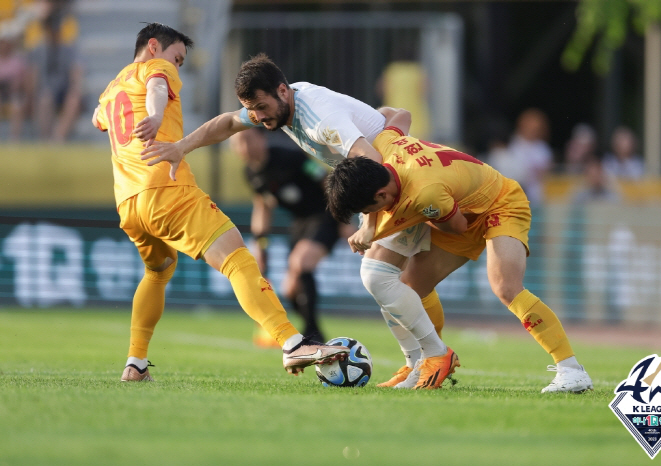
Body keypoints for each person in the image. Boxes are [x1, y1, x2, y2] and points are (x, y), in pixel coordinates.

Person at [140, 53, 454, 389]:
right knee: (394, 279)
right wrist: (182, 147)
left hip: (397, 187)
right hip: (387, 188)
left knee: (380, 277)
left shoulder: (320, 119)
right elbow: (229, 123)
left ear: (282, 91)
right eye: (253, 110)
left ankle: (433, 356)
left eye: (262, 107)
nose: (258, 118)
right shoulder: (280, 105)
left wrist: (368, 226)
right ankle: (421, 361)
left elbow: (373, 160)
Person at [92, 24, 347, 381]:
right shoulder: (155, 69)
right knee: (237, 259)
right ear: (153, 46)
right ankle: (293, 344)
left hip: (129, 203)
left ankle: (135, 363)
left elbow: (97, 118)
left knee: (158, 272)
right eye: (176, 58)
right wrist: (154, 115)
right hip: (166, 190)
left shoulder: (111, 90)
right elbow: (157, 87)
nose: (176, 67)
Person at [325, 108, 594, 394]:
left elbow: (457, 227)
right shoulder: (383, 146)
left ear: (381, 195)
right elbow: (398, 115)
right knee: (412, 287)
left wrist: (395, 223)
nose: (373, 216)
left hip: (499, 203)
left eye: (370, 211)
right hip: (461, 206)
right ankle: (431, 360)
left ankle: (571, 369)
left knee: (505, 287)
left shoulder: (425, 195)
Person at [232, 127, 354, 345]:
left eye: (248, 139)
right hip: (300, 223)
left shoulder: (291, 157)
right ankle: (311, 331)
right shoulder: (250, 173)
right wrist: (260, 245)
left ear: (262, 138)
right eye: (238, 143)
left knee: (302, 261)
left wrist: (343, 217)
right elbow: (262, 207)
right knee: (290, 290)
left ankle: (314, 334)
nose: (245, 147)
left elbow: (326, 180)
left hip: (325, 215)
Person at [30, 5, 82, 142]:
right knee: (45, 99)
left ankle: (58, 139)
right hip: (46, 91)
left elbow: (75, 72)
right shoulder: (38, 50)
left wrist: (75, 87)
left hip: (64, 90)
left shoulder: (69, 49)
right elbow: (33, 77)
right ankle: (46, 139)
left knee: (73, 99)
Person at [507, 108, 553, 206]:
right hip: (516, 197)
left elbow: (548, 173)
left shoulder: (543, 148)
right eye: (530, 127)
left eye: (536, 128)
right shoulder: (513, 145)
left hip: (538, 197)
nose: (533, 131)